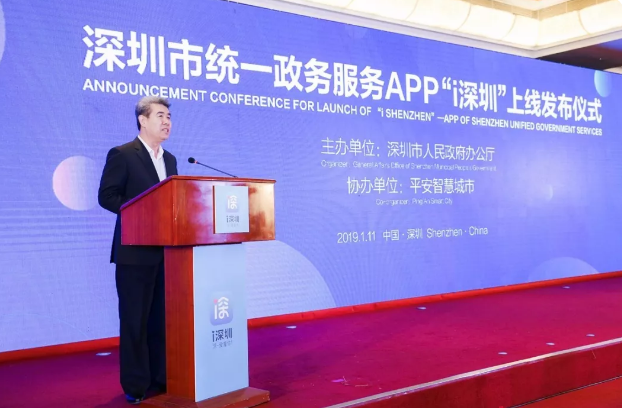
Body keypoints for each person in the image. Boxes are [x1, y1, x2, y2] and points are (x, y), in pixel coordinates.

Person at [98, 96, 178, 404]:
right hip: (133, 253)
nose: (167, 121)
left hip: (166, 253)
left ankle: (161, 376)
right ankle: (136, 384)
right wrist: (139, 214)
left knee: (161, 320)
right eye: (160, 115)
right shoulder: (122, 154)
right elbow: (107, 196)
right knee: (135, 320)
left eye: (169, 116)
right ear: (143, 120)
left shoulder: (170, 160)